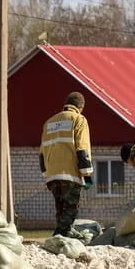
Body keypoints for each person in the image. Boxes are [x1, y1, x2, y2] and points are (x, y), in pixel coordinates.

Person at [40, 92, 93, 238]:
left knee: (60, 208)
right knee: (70, 208)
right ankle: (61, 234)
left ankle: (62, 235)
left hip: (52, 174)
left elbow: (42, 152)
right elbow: (82, 148)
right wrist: (87, 175)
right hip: (70, 173)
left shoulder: (49, 122)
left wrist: (46, 173)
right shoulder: (79, 119)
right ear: (80, 107)